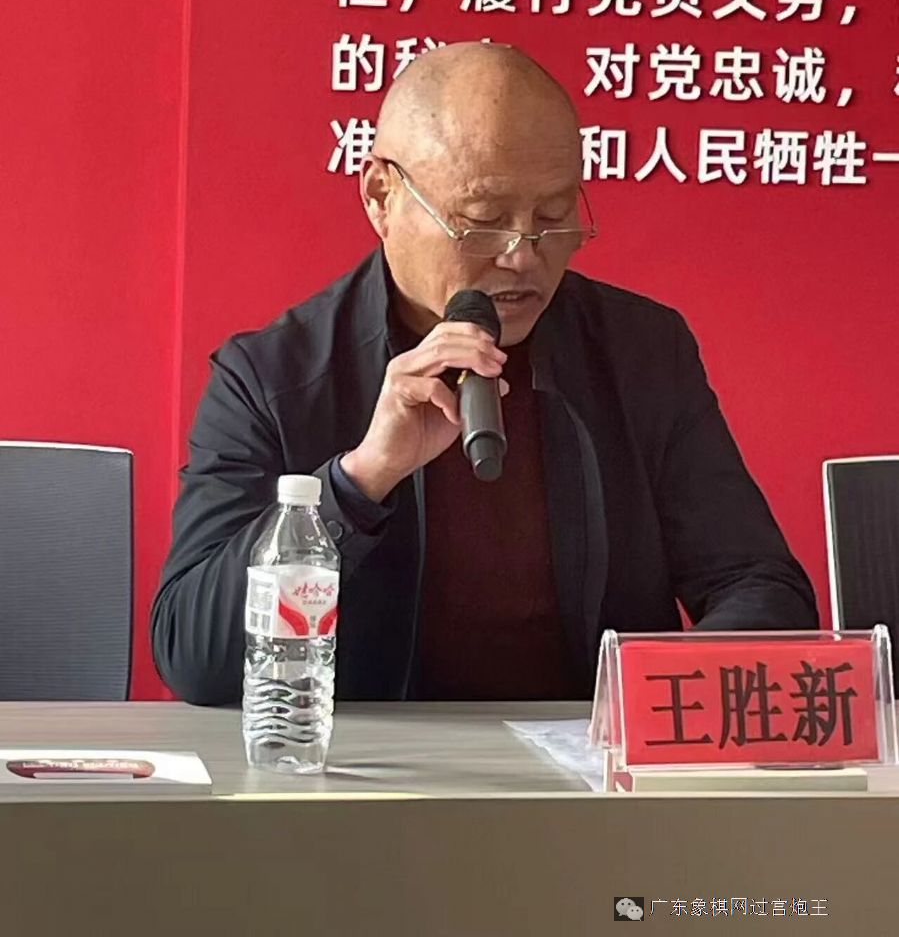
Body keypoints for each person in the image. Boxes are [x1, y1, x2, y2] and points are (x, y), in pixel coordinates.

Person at [151, 42, 818, 706]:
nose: (522, 257)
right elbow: (195, 657)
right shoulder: (273, 377)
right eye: (483, 223)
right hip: (364, 765)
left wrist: (653, 704)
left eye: (553, 217)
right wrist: (359, 481)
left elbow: (759, 586)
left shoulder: (640, 351)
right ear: (381, 195)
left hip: (592, 760)